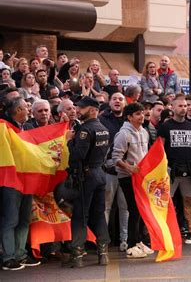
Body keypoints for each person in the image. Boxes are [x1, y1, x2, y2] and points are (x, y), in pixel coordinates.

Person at [67, 96, 110, 268]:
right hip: (100, 173)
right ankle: (103, 253)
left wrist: (70, 141)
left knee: (80, 216)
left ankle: (77, 255)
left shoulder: (85, 131)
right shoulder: (104, 129)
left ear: (93, 110)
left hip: (86, 176)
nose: (78, 110)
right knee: (98, 214)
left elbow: (78, 155)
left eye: (82, 108)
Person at [157, 94, 191, 244]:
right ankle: (165, 232)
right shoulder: (165, 126)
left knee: (188, 200)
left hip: (189, 169)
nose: (184, 108)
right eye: (181, 106)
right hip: (170, 170)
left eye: (185, 106)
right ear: (172, 107)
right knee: (165, 202)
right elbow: (160, 148)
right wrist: (163, 169)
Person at [1, 97, 39, 271]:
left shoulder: (29, 127)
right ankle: (8, 257)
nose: (29, 109)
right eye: (26, 107)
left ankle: (20, 254)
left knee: (24, 219)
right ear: (18, 110)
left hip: (27, 180)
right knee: (10, 219)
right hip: (11, 181)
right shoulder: (3, 127)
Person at [113, 103, 154, 258]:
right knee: (134, 209)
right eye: (137, 114)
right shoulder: (123, 134)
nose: (141, 116)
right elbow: (116, 158)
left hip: (141, 177)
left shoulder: (144, 131)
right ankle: (131, 245)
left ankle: (139, 242)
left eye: (142, 113)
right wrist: (129, 168)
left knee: (141, 210)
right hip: (127, 177)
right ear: (129, 117)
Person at [98, 92, 129, 252]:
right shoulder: (101, 120)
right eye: (114, 98)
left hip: (126, 170)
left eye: (120, 99)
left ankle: (125, 240)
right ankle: (103, 241)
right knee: (106, 207)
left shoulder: (130, 119)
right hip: (108, 169)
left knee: (125, 207)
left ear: (125, 103)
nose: (117, 101)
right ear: (109, 102)